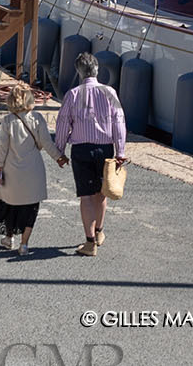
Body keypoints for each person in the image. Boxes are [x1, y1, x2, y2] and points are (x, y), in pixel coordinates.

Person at [52, 52, 127, 258]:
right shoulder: (110, 92)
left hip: (81, 149)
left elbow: (62, 124)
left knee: (86, 196)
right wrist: (120, 151)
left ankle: (89, 241)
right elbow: (119, 123)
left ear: (79, 71)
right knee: (102, 192)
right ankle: (100, 232)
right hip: (105, 149)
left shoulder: (73, 94)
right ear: (97, 70)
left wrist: (59, 150)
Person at [0, 81, 64, 255]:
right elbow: (46, 143)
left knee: (10, 203)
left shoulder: (7, 121)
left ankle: (9, 238)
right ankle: (24, 244)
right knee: (31, 206)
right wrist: (59, 158)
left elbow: (3, 147)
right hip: (33, 169)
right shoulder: (37, 118)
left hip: (11, 168)